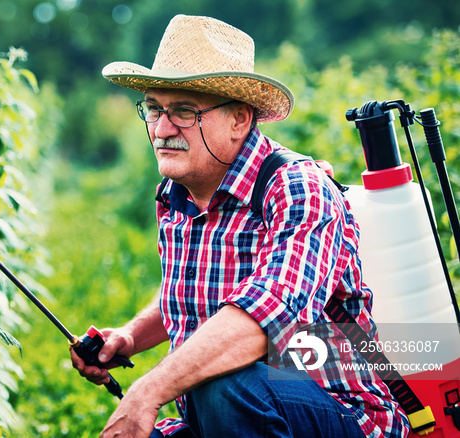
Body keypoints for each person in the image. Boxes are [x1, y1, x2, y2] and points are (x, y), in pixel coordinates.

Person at [70, 15, 410, 438]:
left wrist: (147, 391)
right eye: (154, 108)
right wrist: (130, 336)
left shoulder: (298, 190)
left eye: (184, 111)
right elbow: (194, 291)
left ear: (239, 119)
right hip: (222, 414)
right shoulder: (175, 195)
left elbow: (263, 321)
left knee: (224, 381)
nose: (160, 129)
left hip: (341, 414)